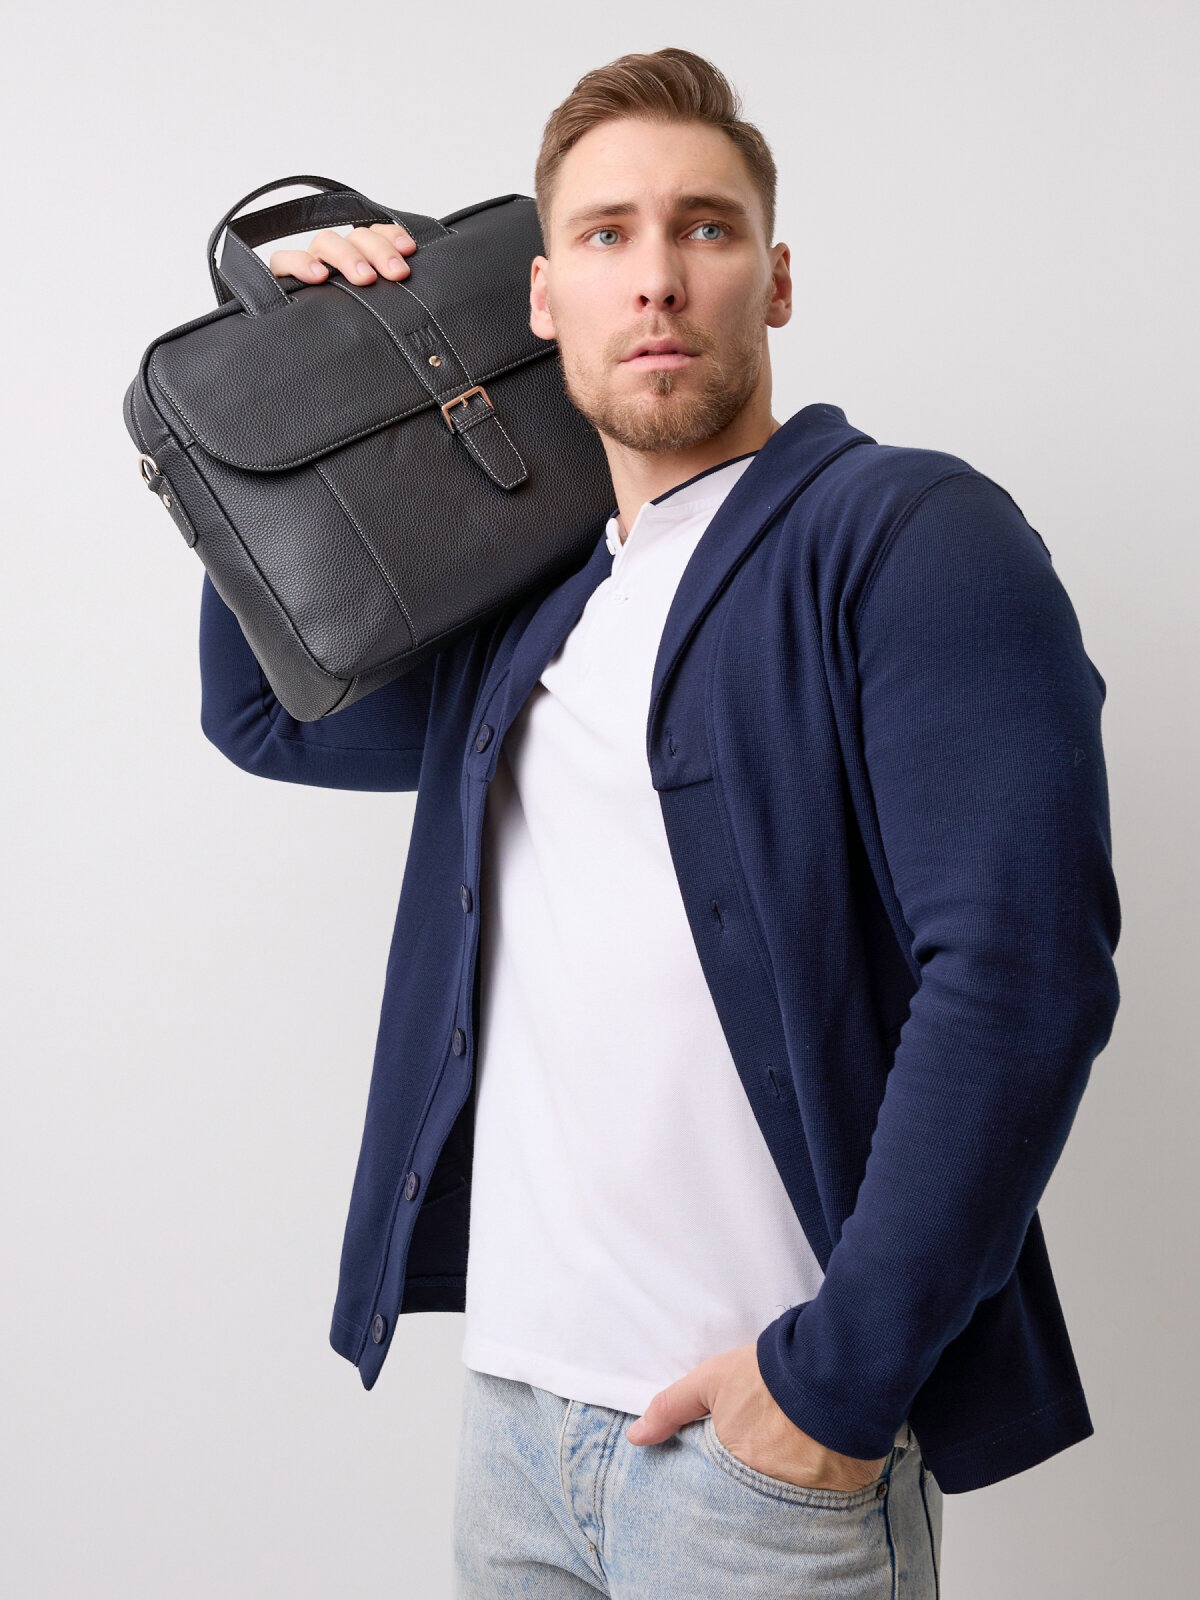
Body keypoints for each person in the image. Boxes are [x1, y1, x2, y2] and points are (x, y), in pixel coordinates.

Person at [198, 46, 1121, 1599]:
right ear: (542, 299)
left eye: (705, 227)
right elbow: (268, 716)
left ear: (775, 279)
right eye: (607, 234)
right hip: (516, 1431)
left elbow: (1022, 974)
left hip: (758, 1467)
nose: (658, 278)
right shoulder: (523, 617)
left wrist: (836, 1384)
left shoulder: (906, 533)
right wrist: (283, 363)